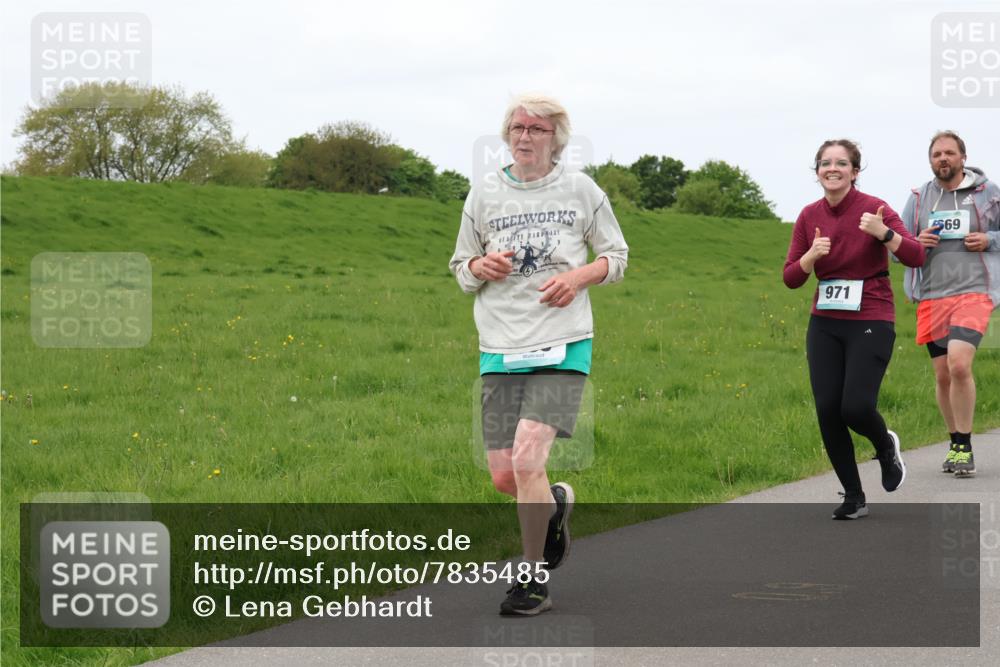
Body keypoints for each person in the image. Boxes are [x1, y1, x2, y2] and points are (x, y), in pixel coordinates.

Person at [449, 93, 628, 614]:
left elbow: (615, 256)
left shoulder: (580, 189)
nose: (524, 136)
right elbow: (460, 267)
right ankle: (553, 506)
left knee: (530, 458)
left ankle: (530, 581)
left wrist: (578, 276)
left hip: (562, 343)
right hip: (500, 347)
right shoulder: (482, 195)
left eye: (537, 129)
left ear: (556, 139)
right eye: (517, 127)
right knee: (507, 476)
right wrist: (480, 268)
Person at [783, 139, 925, 520]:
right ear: (817, 172)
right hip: (825, 322)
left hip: (871, 317)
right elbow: (790, 278)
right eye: (825, 163)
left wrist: (884, 233)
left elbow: (915, 254)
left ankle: (884, 445)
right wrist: (810, 257)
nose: (833, 168)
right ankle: (853, 496)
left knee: (856, 407)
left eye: (841, 163)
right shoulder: (808, 215)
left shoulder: (874, 209)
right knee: (829, 410)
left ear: (855, 172)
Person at [900, 131, 1000, 476]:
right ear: (931, 160)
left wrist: (990, 238)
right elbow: (899, 249)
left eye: (949, 153)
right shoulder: (918, 198)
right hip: (932, 294)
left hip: (975, 290)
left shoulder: (989, 193)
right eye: (937, 154)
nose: (943, 158)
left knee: (959, 364)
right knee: (943, 375)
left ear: (962, 157)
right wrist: (916, 242)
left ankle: (965, 445)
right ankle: (955, 440)